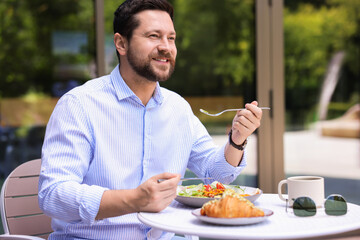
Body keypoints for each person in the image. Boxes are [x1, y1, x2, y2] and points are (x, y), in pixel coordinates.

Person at [38, 0, 264, 239]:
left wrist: (237, 139)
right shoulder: (79, 105)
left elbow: (214, 174)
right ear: (121, 43)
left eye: (171, 38)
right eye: (154, 36)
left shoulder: (178, 107)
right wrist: (133, 200)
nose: (166, 47)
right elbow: (52, 195)